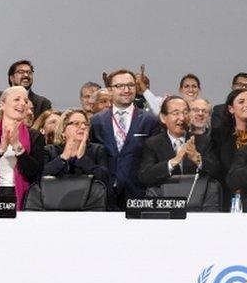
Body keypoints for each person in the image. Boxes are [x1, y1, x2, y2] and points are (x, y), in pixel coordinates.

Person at [89, 69, 161, 209]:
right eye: (120, 86)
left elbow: (153, 161)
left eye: (131, 85)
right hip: (103, 195)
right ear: (110, 90)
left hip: (138, 194)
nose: (126, 90)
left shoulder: (149, 121)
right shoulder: (96, 122)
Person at [138, 96, 206, 188]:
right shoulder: (152, 144)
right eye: (176, 113)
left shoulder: (202, 141)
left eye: (185, 112)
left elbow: (216, 171)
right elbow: (145, 176)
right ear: (163, 118)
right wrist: (172, 162)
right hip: (167, 199)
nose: (182, 118)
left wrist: (198, 160)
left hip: (196, 198)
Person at [209, 88, 247, 210]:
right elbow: (218, 167)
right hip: (229, 195)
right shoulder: (219, 134)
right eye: (241, 102)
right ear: (231, 109)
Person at [43, 109, 110, 187]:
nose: (83, 127)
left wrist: (82, 159)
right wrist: (63, 157)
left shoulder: (98, 150)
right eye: (76, 123)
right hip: (56, 197)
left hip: (88, 197)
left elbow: (105, 179)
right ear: (63, 130)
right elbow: (41, 176)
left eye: (86, 124)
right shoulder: (50, 151)